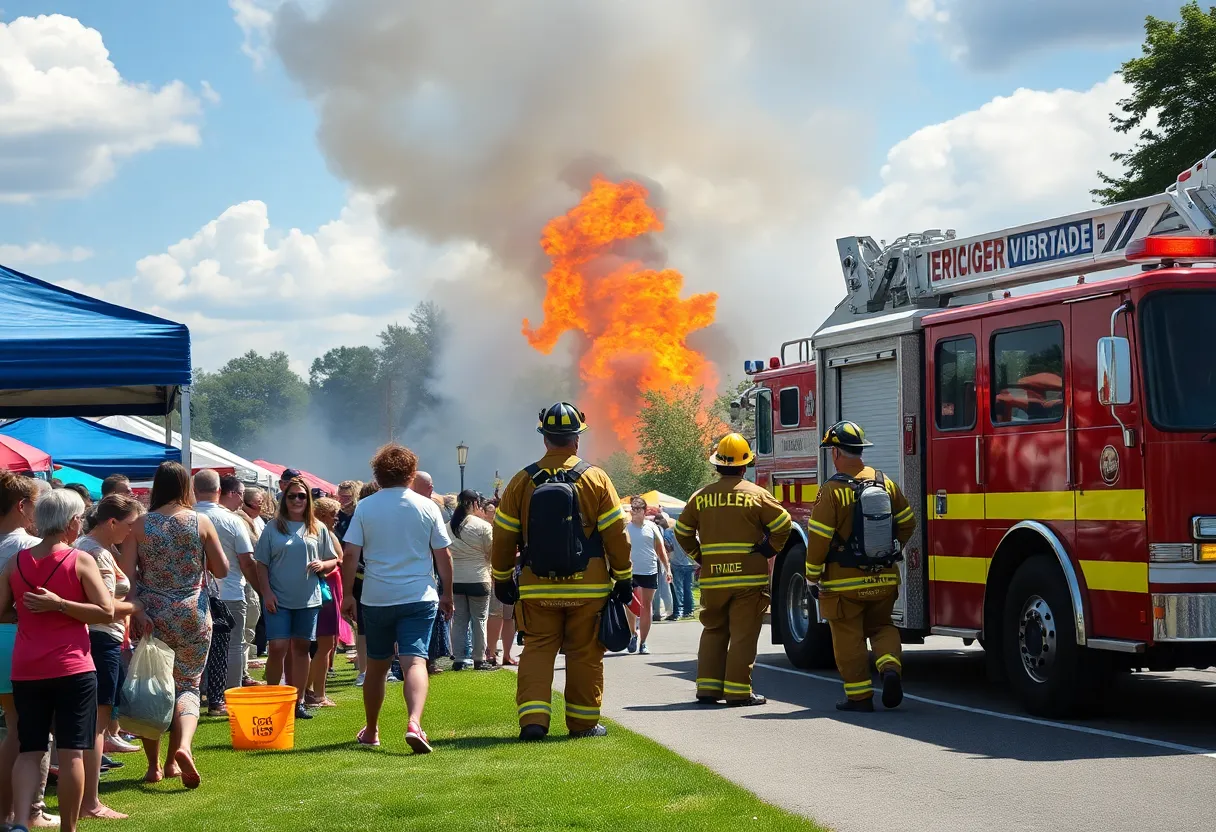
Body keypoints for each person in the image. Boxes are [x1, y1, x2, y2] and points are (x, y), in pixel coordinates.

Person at [491, 402, 632, 741]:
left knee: (538, 651)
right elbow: (616, 534)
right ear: (576, 440)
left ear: (545, 440)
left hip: (537, 587)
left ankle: (533, 723)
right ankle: (583, 725)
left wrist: (501, 579)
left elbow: (503, 536)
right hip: (589, 588)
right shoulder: (596, 478)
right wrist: (624, 577)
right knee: (585, 655)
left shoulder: (522, 481)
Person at [0, 489, 114, 832]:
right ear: (70, 521)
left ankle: (20, 821)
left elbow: (1, 611)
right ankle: (69, 828)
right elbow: (106, 610)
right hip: (72, 667)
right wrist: (61, 606)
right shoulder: (79, 560)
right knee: (72, 752)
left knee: (29, 748)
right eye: (79, 517)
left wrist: (27, 614)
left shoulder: (15, 562)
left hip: (27, 666)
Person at [119, 461, 229, 788]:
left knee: (155, 684)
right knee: (188, 686)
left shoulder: (139, 525)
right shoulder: (201, 522)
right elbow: (222, 570)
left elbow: (126, 578)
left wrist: (137, 612)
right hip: (193, 613)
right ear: (186, 487)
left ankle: (153, 766)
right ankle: (179, 752)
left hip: (153, 616)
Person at [340, 446, 453, 753]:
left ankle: (372, 730)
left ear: (377, 475)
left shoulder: (365, 507)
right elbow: (442, 555)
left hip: (377, 597)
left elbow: (351, 554)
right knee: (415, 660)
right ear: (411, 473)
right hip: (419, 596)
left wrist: (348, 594)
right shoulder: (428, 507)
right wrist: (447, 593)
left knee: (376, 667)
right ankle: (414, 722)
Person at [805, 421, 916, 712]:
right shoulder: (885, 483)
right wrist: (890, 551)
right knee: (882, 627)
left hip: (843, 586)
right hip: (884, 580)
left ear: (837, 453)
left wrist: (812, 576)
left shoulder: (831, 491)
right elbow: (908, 523)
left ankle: (859, 697)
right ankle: (890, 669)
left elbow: (818, 538)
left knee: (848, 637)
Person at [676, 434, 792, 708]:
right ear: (744, 466)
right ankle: (739, 692)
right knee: (743, 635)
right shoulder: (757, 495)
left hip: (714, 579)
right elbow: (784, 524)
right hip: (748, 580)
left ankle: (707, 689)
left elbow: (682, 532)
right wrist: (769, 549)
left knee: (713, 630)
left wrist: (700, 555)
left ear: (717, 466)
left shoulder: (700, 497)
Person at [74, 494, 143, 820]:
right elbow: (103, 608)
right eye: (129, 525)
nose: (132, 532)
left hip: (100, 641)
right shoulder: (97, 553)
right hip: (102, 642)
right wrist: (135, 608)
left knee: (94, 725)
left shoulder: (89, 547)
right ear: (112, 522)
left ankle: (88, 800)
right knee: (97, 726)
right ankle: (91, 802)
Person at [253, 478, 339, 721]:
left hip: (308, 599)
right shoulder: (273, 527)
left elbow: (334, 559)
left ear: (308, 500)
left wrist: (323, 564)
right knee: (277, 647)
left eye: (302, 496)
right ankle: (273, 697)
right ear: (285, 499)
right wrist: (266, 593)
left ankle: (298, 701)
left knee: (302, 648)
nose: (297, 500)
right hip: (278, 599)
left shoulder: (317, 527)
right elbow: (261, 563)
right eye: (292, 496)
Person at [0, 474, 56, 830]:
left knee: (17, 729)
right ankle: (25, 810)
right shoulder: (28, 547)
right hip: (16, 639)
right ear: (22, 506)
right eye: (36, 505)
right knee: (26, 732)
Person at [194, 471, 255, 717]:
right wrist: (261, 589)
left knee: (199, 647)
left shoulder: (188, 517)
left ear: (194, 491)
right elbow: (247, 559)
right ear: (219, 491)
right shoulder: (232, 520)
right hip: (229, 590)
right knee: (233, 647)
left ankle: (197, 694)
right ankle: (229, 696)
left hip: (196, 592)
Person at [447, 490, 493, 671]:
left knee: (459, 620)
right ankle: (479, 659)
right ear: (475, 504)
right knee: (479, 620)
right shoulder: (482, 526)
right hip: (478, 577)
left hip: (455, 578)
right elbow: (490, 551)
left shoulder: (447, 526)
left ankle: (458, 658)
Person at [306, 498, 344, 708]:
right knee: (325, 644)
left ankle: (311, 691)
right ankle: (316, 694)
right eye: (333, 514)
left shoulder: (322, 532)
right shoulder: (321, 533)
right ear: (321, 515)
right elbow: (337, 560)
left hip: (325, 591)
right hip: (324, 591)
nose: (336, 518)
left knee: (323, 645)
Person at [412, 473, 451, 675]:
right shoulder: (424, 507)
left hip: (430, 574)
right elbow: (443, 551)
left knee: (435, 621)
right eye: (428, 485)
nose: (432, 488)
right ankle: (421, 662)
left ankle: (430, 660)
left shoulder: (432, 507)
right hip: (422, 576)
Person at [625, 497, 669, 655]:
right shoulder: (626, 528)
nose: (634, 512)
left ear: (644, 511)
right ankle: (633, 634)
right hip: (631, 571)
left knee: (646, 606)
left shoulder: (652, 527)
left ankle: (643, 642)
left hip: (649, 570)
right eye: (633, 509)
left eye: (637, 509)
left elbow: (660, 549)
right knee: (631, 605)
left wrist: (667, 568)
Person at [335, 481, 365, 684]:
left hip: (359, 571)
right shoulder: (339, 516)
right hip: (343, 568)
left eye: (346, 496)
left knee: (361, 618)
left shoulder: (358, 514)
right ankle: (362, 657)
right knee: (353, 617)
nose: (343, 499)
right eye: (341, 495)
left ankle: (364, 660)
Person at [238, 487, 266, 678]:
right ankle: (241, 675)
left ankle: (242, 672)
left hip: (248, 581)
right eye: (258, 500)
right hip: (245, 582)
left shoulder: (258, 521)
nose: (262, 504)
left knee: (247, 631)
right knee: (244, 631)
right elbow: (249, 558)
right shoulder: (239, 520)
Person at [661, 511, 697, 620]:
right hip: (690, 563)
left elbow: (668, 546)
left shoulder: (669, 532)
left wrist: (669, 559)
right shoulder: (689, 531)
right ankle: (689, 610)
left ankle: (679, 611)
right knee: (688, 588)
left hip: (677, 563)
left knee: (678, 589)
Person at [651, 512, 675, 621]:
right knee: (665, 587)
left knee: (656, 588)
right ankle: (669, 611)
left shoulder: (652, 528)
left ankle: (657, 612)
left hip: (654, 560)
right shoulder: (663, 530)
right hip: (661, 559)